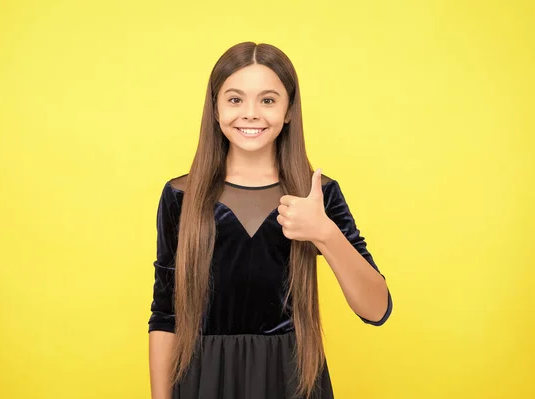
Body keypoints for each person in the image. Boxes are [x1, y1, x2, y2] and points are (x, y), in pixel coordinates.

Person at [148, 41, 393, 399]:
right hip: (204, 379)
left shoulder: (317, 195)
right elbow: (165, 314)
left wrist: (324, 232)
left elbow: (377, 309)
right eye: (235, 99)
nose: (250, 113)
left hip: (291, 378)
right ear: (215, 109)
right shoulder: (181, 196)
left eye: (267, 100)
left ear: (289, 110)